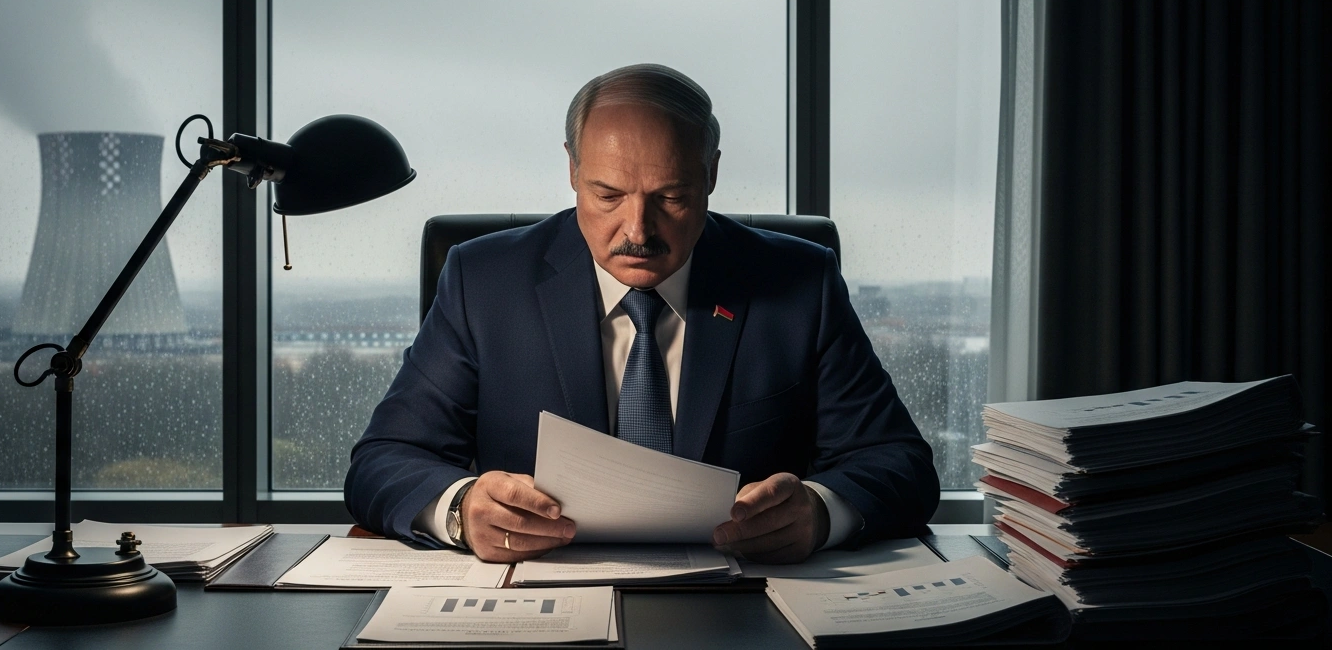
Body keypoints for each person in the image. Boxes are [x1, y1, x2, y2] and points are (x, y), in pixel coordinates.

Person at [345, 63, 939, 564]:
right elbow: (383, 461)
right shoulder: (484, 280)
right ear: (573, 171)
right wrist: (459, 507)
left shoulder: (800, 283)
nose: (637, 231)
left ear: (711, 175)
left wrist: (819, 511)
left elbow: (898, 464)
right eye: (607, 196)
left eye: (672, 198)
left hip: (741, 610)